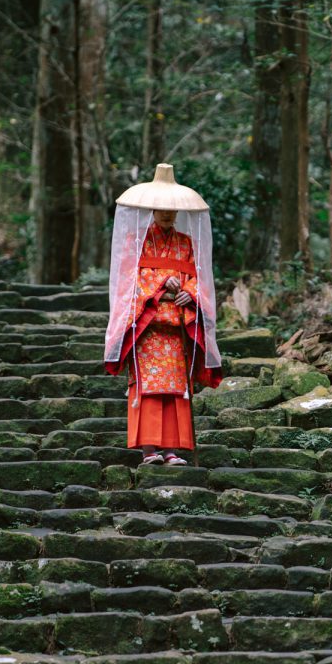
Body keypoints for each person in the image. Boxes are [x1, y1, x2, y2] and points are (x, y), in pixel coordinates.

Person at [103, 164, 222, 465]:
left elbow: (199, 278)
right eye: (162, 209)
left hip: (177, 326)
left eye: (171, 209)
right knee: (150, 389)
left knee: (175, 391)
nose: (167, 214)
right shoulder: (137, 242)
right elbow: (129, 280)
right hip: (149, 328)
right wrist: (159, 286)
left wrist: (189, 293)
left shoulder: (186, 244)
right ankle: (149, 450)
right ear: (153, 209)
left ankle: (171, 450)